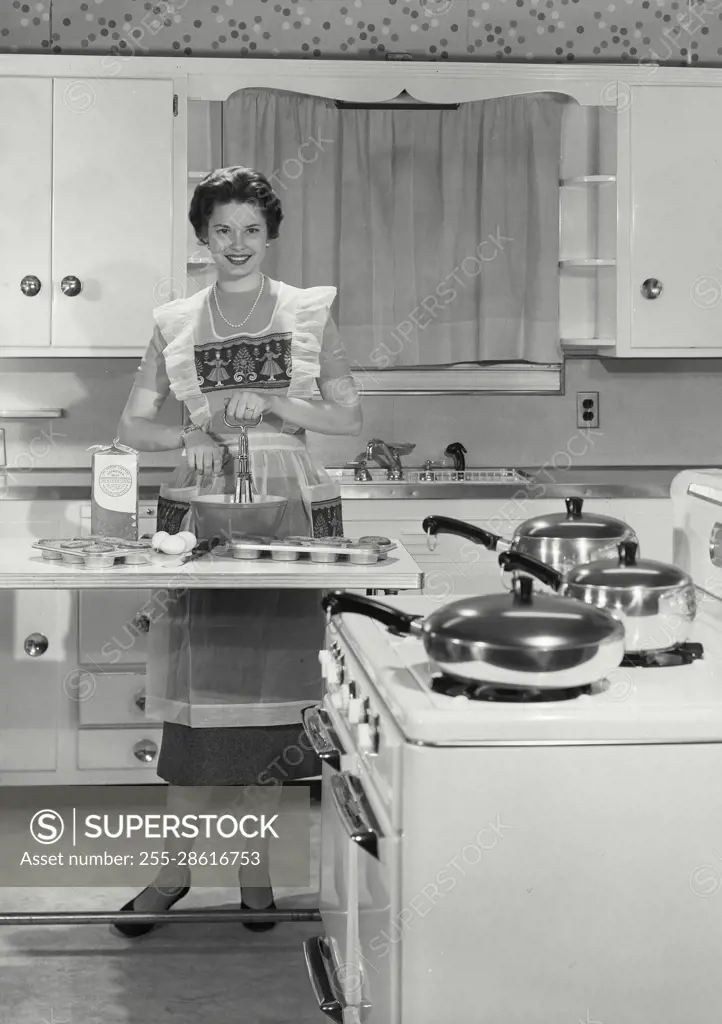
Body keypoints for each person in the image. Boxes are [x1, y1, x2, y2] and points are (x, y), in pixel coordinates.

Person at [113, 166, 362, 937]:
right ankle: (175, 871)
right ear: (202, 237)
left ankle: (256, 873)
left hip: (289, 506)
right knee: (199, 705)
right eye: (222, 230)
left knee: (280, 705)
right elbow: (134, 429)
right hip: (201, 511)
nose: (237, 244)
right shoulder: (175, 323)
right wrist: (195, 431)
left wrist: (280, 404)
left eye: (251, 229)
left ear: (271, 234)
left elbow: (349, 419)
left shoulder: (308, 313)